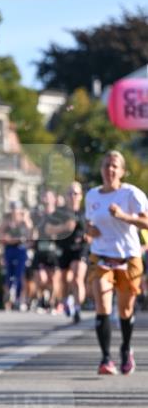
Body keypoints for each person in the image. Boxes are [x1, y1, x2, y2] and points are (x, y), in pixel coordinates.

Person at [84, 150, 148, 375]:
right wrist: (90, 231)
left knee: (125, 309)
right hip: (101, 256)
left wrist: (123, 217)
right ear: (101, 169)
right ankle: (105, 359)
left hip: (128, 257)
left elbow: (146, 223)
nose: (109, 170)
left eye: (114, 166)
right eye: (106, 165)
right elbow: (89, 223)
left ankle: (126, 349)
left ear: (122, 171)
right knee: (102, 304)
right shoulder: (92, 195)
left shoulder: (131, 194)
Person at [58, 181, 88, 324]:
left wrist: (89, 236)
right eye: (70, 193)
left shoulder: (86, 213)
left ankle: (77, 308)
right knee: (64, 280)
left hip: (80, 248)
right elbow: (48, 229)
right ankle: (66, 301)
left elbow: (94, 230)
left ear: (80, 196)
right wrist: (64, 227)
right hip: (64, 248)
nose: (72, 196)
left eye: (75, 193)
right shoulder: (60, 213)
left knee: (77, 278)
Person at [0, 202, 32, 310]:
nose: (14, 211)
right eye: (13, 208)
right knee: (8, 274)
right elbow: (1, 234)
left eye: (16, 208)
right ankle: (8, 299)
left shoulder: (24, 220)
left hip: (21, 249)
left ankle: (19, 299)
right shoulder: (7, 220)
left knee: (20, 274)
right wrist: (8, 239)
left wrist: (25, 218)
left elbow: (30, 232)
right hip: (9, 249)